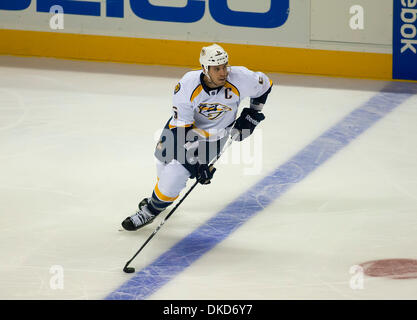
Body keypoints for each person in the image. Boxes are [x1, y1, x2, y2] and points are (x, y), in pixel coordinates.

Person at [121, 43, 273, 231]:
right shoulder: (187, 85)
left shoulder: (240, 78)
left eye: (225, 66)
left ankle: (150, 211)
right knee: (162, 161)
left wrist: (253, 114)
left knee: (173, 177)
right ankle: (159, 200)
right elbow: (182, 131)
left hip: (212, 138)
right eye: (216, 68)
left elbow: (265, 85)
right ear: (205, 69)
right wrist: (197, 163)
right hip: (182, 129)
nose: (223, 72)